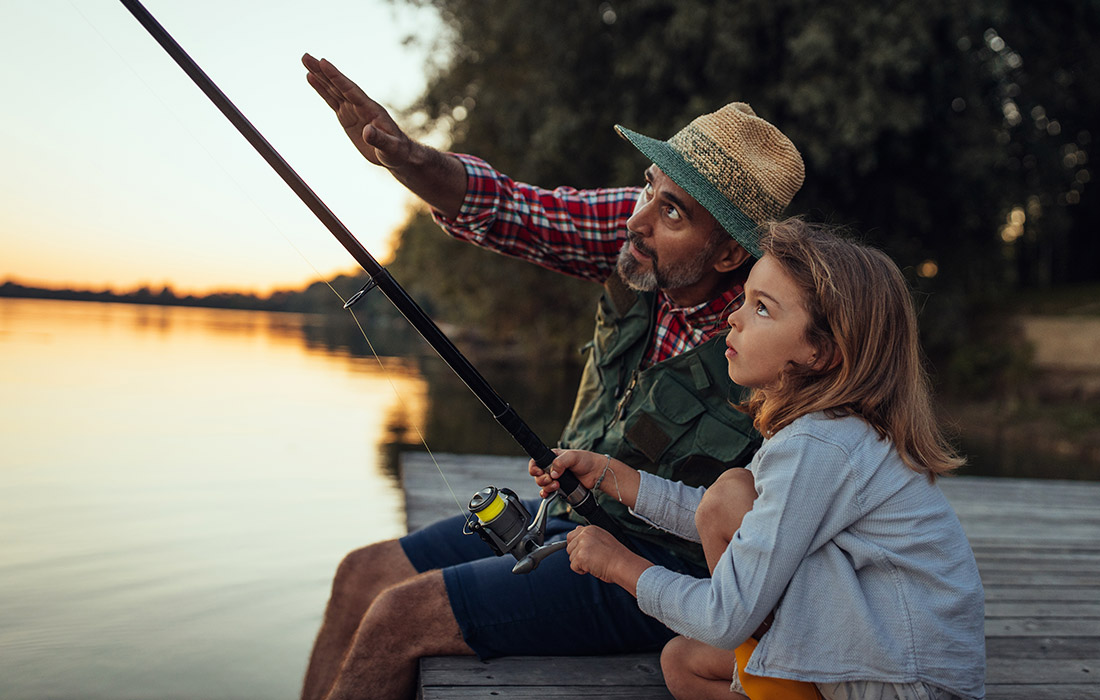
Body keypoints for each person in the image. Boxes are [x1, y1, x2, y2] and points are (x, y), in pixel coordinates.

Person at [299, 54, 808, 700]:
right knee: (360, 575)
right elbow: (515, 209)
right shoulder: (640, 235)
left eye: (671, 211)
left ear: (732, 252)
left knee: (399, 616)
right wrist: (406, 159)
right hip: (560, 517)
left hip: (652, 573)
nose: (637, 218)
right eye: (647, 185)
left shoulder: (775, 337)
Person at [533, 218, 987, 700]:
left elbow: (723, 620)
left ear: (822, 351)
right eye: (745, 297)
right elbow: (740, 523)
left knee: (730, 499)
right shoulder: (822, 429)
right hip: (877, 661)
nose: (734, 317)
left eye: (763, 309)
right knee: (683, 662)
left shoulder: (823, 445)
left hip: (907, 684)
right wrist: (612, 476)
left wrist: (619, 565)